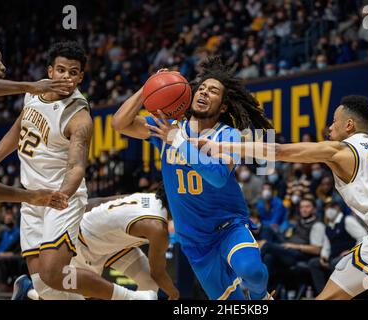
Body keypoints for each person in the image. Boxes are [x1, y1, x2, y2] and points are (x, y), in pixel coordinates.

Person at [197, 95, 368, 300]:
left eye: (334, 122)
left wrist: (222, 146)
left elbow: (278, 150)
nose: (329, 128)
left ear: (349, 125)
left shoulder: (340, 149)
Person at [0, 41, 153, 301]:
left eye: (73, 72)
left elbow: (77, 167)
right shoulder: (34, 93)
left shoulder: (79, 116)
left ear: (81, 76)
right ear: (50, 71)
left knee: (53, 274)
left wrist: (61, 195)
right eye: (61, 70)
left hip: (60, 199)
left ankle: (134, 298)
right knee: (46, 288)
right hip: (32, 198)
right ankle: (30, 289)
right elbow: (17, 130)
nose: (66, 77)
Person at [112, 56, 274, 300]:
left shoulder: (228, 135)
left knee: (251, 271)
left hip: (227, 227)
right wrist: (147, 89)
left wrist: (177, 141)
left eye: (213, 91)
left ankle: (261, 297)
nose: (204, 93)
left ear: (223, 107)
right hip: (194, 240)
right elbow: (119, 123)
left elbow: (218, 177)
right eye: (202, 88)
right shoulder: (166, 127)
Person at [12, 189, 178, 300]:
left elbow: (101, 201)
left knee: (149, 283)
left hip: (115, 245)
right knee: (73, 297)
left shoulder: (148, 197)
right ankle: (28, 292)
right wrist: (174, 294)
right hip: (85, 243)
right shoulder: (158, 228)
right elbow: (158, 273)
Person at [0, 46, 70, 209]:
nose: (2, 66)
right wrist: (29, 86)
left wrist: (30, 196)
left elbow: (17, 130)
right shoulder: (32, 91)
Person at [308, 199, 368, 295]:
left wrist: (351, 252)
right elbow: (326, 245)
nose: (328, 210)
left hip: (350, 257)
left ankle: (339, 295)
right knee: (314, 263)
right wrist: (324, 257)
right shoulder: (328, 226)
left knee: (336, 262)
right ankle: (323, 294)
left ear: (337, 208)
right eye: (326, 208)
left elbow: (363, 236)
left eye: (331, 207)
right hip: (333, 257)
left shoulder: (347, 220)